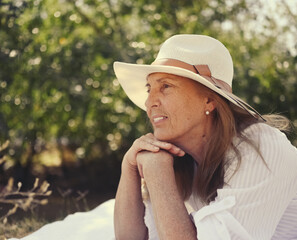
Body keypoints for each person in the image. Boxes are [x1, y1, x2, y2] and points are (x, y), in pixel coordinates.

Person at [113, 34, 297, 240]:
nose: (149, 102)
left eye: (165, 86)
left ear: (209, 100)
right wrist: (129, 167)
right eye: (149, 88)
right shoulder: (179, 160)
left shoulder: (262, 147)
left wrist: (157, 172)